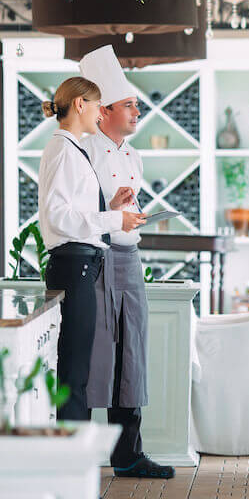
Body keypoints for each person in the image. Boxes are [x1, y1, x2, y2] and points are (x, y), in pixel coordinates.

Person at [78, 45, 174, 479]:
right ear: (103, 112)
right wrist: (112, 207)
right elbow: (81, 210)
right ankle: (80, 455)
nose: (138, 111)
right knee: (97, 356)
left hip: (129, 256)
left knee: (132, 353)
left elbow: (121, 208)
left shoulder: (134, 156)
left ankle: (128, 454)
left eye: (137, 104)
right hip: (96, 258)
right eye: (129, 105)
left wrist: (128, 211)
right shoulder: (84, 151)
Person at [38, 77, 145, 425]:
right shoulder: (64, 150)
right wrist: (115, 219)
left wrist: (110, 207)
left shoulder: (71, 148)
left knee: (78, 366)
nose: (101, 113)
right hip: (74, 264)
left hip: (81, 264)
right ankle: (72, 459)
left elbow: (75, 209)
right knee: (74, 368)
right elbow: (58, 217)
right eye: (99, 105)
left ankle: (75, 455)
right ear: (81, 104)